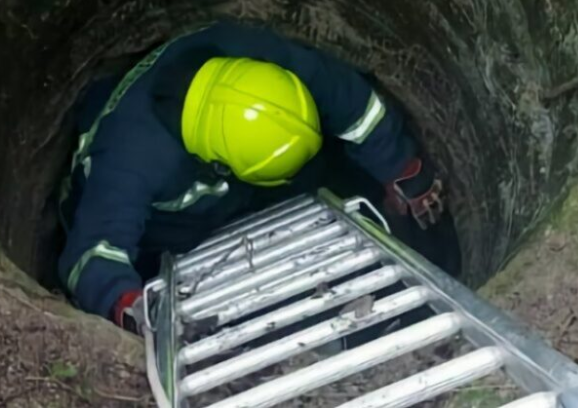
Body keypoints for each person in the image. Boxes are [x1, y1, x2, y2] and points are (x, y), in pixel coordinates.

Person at [56, 21, 452, 332]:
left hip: (237, 182)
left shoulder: (262, 62)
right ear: (220, 167)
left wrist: (400, 167)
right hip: (164, 229)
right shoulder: (130, 160)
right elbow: (93, 250)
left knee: (313, 172)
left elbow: (352, 103)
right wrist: (128, 304)